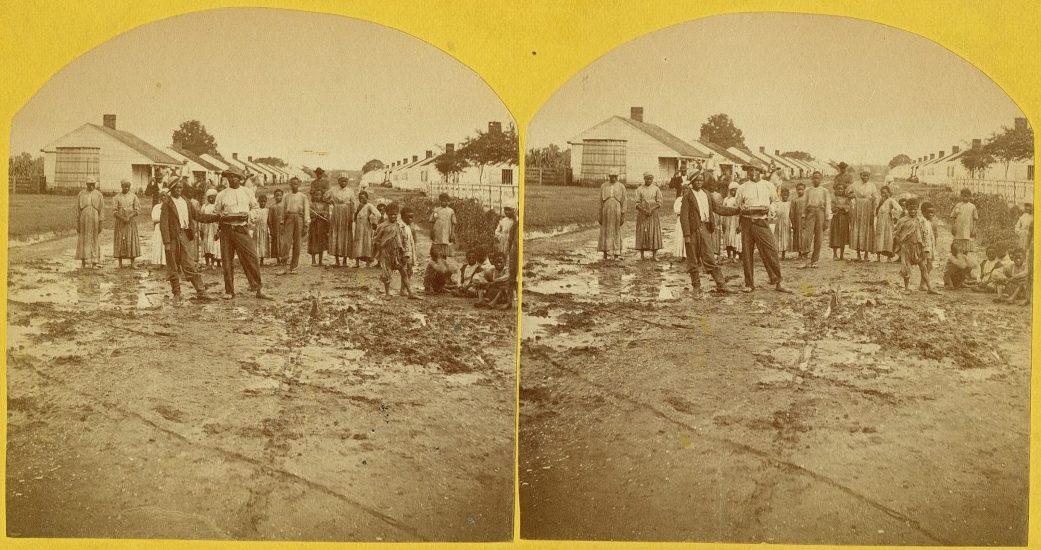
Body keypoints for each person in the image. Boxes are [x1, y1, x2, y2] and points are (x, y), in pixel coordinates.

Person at [212, 170, 270, 300]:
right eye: (229, 177)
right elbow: (216, 212)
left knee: (252, 257)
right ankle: (229, 291)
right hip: (226, 230)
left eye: (235, 177)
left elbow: (255, 209)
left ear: (240, 179)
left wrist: (248, 215)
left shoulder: (247, 192)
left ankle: (258, 289)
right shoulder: (221, 195)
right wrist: (221, 219)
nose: (232, 180)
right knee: (227, 261)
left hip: (241, 228)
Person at [678, 172, 738, 293]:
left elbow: (718, 209)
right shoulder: (688, 196)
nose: (699, 182)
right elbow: (683, 217)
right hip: (693, 230)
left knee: (709, 257)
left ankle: (721, 284)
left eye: (701, 180)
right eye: (696, 181)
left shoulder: (707, 194)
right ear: (692, 182)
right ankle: (696, 286)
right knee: (693, 259)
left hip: (705, 228)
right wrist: (687, 235)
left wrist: (736, 210)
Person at [158, 179, 216, 301]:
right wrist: (167, 243)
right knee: (172, 265)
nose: (179, 190)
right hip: (173, 237)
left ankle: (201, 291)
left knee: (189, 263)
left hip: (185, 235)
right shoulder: (167, 204)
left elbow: (197, 216)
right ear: (171, 189)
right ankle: (177, 293)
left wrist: (215, 217)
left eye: (180, 188)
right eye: (176, 188)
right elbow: (163, 224)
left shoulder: (186, 202)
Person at [735, 170, 791, 293]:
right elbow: (737, 204)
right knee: (747, 253)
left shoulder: (768, 185)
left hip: (762, 221)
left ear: (759, 172)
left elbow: (776, 202)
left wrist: (769, 208)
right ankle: (749, 283)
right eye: (750, 170)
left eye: (755, 170)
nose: (753, 173)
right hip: (747, 222)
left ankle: (777, 282)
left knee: (771, 250)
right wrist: (742, 208)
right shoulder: (742, 187)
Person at [893, 197, 937, 294]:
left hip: (918, 247)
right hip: (906, 248)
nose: (912, 211)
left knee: (923, 267)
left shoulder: (921, 221)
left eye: (914, 208)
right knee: (906, 268)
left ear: (917, 208)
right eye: (910, 208)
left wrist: (926, 248)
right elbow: (896, 233)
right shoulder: (902, 221)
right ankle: (906, 288)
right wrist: (900, 243)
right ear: (907, 208)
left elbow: (925, 235)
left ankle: (930, 288)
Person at [373, 202, 416, 298]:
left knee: (404, 272)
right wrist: (380, 249)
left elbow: (404, 239)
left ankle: (410, 292)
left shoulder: (400, 226)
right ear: (387, 214)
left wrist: (405, 253)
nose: (393, 216)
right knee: (386, 273)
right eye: (391, 214)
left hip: (397, 253)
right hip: (386, 253)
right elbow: (376, 239)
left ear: (397, 214)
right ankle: (387, 293)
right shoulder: (382, 226)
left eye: (395, 214)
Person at [800, 171, 831, 268]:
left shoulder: (825, 191)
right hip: (810, 212)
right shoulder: (808, 191)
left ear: (821, 179)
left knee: (819, 237)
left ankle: (815, 260)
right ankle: (805, 260)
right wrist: (803, 216)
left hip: (820, 213)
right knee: (807, 237)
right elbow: (804, 204)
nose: (816, 180)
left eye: (818, 178)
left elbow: (828, 206)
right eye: (814, 178)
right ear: (811, 179)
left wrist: (827, 219)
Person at [280, 177, 310, 274]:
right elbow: (282, 210)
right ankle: (283, 266)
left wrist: (306, 224)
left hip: (299, 219)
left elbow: (306, 211)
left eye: (296, 184)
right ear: (290, 184)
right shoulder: (286, 196)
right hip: (289, 218)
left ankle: (294, 267)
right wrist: (282, 222)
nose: (294, 186)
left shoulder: (303, 196)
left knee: (297, 243)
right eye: (292, 184)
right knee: (286, 243)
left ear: (299, 184)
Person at [325, 176, 356, 266]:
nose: (343, 183)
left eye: (345, 181)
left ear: (347, 182)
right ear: (338, 181)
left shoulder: (350, 191)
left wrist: (352, 216)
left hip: (346, 213)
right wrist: (331, 201)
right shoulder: (333, 190)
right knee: (336, 233)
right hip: (336, 213)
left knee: (346, 234)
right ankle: (337, 260)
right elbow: (325, 197)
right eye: (342, 181)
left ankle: (345, 260)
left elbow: (353, 204)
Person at [849, 169, 879, 260]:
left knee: (867, 229)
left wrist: (873, 209)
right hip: (858, 208)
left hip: (867, 208)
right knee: (858, 228)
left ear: (869, 176)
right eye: (863, 175)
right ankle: (858, 254)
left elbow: (876, 197)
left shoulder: (872, 185)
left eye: (867, 176)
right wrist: (853, 196)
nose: (865, 177)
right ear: (860, 175)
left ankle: (866, 254)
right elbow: (848, 192)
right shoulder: (855, 184)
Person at [598, 169, 627, 261]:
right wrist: (600, 214)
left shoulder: (621, 186)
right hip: (606, 209)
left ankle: (616, 254)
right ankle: (605, 253)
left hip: (617, 209)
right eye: (611, 176)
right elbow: (600, 201)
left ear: (617, 177)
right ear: (609, 176)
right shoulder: (604, 186)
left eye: (615, 176)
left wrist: (623, 214)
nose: (613, 178)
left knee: (616, 230)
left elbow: (624, 200)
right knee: (605, 230)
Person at [75, 177, 104, 269]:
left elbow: (102, 210)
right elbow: (78, 210)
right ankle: (84, 260)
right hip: (84, 217)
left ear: (95, 185)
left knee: (95, 237)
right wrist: (78, 223)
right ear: (86, 184)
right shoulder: (81, 194)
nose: (91, 186)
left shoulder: (99, 194)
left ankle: (95, 261)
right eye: (89, 185)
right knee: (83, 237)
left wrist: (100, 223)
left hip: (95, 216)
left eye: (93, 185)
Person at [634, 172, 664, 260]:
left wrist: (652, 209)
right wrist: (643, 210)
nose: (649, 180)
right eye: (647, 178)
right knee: (642, 232)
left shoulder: (656, 189)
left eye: (651, 179)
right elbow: (637, 203)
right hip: (642, 214)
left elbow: (659, 202)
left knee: (653, 231)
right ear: (644, 179)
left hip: (653, 213)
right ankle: (642, 255)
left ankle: (654, 255)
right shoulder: (639, 189)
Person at [112, 179, 140, 268]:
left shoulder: (134, 196)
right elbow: (114, 211)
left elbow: (137, 210)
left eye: (128, 186)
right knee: (120, 240)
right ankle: (120, 263)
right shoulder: (116, 197)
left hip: (130, 222)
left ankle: (132, 262)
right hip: (120, 222)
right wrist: (122, 218)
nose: (126, 188)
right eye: (125, 186)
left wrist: (129, 217)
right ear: (121, 187)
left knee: (131, 240)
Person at [874, 185, 902, 262]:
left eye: (885, 193)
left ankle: (888, 257)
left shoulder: (891, 200)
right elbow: (876, 211)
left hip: (888, 222)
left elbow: (899, 209)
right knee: (879, 238)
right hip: (880, 222)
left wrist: (892, 213)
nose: (884, 194)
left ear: (889, 193)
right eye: (882, 193)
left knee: (888, 238)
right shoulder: (880, 201)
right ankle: (878, 257)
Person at [354, 190, 380, 267]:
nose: (362, 200)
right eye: (360, 198)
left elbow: (378, 214)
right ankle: (357, 263)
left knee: (367, 244)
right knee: (358, 243)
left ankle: (367, 263)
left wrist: (371, 219)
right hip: (359, 228)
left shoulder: (369, 205)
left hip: (367, 228)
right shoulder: (358, 206)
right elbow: (354, 216)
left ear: (367, 198)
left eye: (363, 198)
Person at [309, 173, 330, 266]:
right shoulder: (312, 205)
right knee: (313, 242)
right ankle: (313, 260)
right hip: (314, 226)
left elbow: (326, 214)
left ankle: (321, 260)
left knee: (321, 242)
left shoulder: (325, 205)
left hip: (322, 227)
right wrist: (315, 215)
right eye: (316, 195)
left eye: (319, 195)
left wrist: (320, 214)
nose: (318, 197)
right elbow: (311, 214)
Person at [949, 188, 979, 254]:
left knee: (966, 247)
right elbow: (953, 216)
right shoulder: (958, 205)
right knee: (958, 246)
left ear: (970, 197)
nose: (965, 198)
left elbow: (975, 219)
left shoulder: (972, 207)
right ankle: (959, 260)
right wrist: (953, 226)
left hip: (968, 229)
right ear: (961, 196)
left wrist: (974, 229)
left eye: (966, 196)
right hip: (959, 229)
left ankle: (965, 258)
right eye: (963, 196)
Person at [830, 178, 852, 260]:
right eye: (838, 189)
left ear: (844, 190)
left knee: (843, 236)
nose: (840, 190)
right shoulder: (834, 198)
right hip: (836, 218)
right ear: (836, 189)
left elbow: (848, 207)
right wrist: (839, 208)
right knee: (835, 236)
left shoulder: (846, 199)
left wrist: (843, 208)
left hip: (844, 219)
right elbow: (833, 208)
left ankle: (842, 254)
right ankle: (835, 254)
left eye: (841, 189)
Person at [430, 193, 457, 259]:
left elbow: (453, 223)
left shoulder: (451, 211)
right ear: (440, 201)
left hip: (447, 232)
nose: (444, 202)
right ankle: (437, 262)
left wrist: (452, 233)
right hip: (438, 232)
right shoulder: (436, 210)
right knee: (437, 249)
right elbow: (432, 221)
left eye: (446, 201)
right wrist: (432, 231)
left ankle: (444, 261)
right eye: (442, 201)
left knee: (444, 250)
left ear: (448, 202)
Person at [199, 189, 221, 269]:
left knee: (213, 245)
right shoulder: (204, 206)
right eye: (210, 197)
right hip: (206, 228)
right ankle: (207, 263)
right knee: (206, 245)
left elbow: (219, 219)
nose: (211, 199)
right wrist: (200, 229)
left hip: (214, 227)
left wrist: (218, 231)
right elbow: (201, 218)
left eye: (213, 197)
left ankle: (213, 263)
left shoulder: (217, 207)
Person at [722, 181, 742, 262]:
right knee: (727, 237)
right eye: (732, 190)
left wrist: (740, 224)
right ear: (729, 191)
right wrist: (723, 222)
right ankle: (729, 256)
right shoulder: (726, 199)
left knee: (734, 237)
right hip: (727, 220)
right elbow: (723, 211)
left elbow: (741, 213)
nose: (734, 192)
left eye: (736, 190)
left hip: (735, 220)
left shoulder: (739, 200)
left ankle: (734, 256)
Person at [401, 207, 419, 289]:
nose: (411, 219)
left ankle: (403, 289)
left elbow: (413, 241)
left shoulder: (409, 226)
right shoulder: (401, 227)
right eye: (409, 217)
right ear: (402, 216)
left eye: (412, 217)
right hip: (404, 252)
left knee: (409, 271)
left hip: (410, 251)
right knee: (405, 271)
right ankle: (403, 289)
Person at [268, 188, 286, 265]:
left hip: (283, 228)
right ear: (274, 197)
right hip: (275, 228)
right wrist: (271, 230)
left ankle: (285, 259)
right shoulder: (272, 207)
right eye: (277, 196)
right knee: (276, 243)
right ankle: (278, 259)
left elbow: (287, 217)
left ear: (282, 196)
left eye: (280, 195)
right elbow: (269, 220)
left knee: (284, 243)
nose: (278, 197)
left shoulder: (285, 206)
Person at [789, 182, 807, 259]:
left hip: (805, 220)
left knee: (805, 236)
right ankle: (800, 252)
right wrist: (793, 222)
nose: (800, 191)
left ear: (804, 190)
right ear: (796, 190)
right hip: (797, 221)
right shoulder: (794, 200)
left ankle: (806, 252)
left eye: (801, 189)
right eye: (798, 189)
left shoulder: (807, 199)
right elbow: (792, 212)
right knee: (798, 236)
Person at [774, 187, 793, 260]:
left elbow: (791, 214)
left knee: (786, 237)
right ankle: (777, 253)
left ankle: (783, 254)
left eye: (786, 195)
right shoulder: (778, 204)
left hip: (786, 222)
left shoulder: (789, 204)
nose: (785, 196)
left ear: (788, 195)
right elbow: (775, 213)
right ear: (781, 195)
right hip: (779, 222)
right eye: (783, 195)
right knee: (778, 237)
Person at [670, 183, 686, 259]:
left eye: (687, 189)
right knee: (681, 235)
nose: (685, 190)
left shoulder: (692, 199)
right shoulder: (679, 199)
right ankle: (682, 254)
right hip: (681, 219)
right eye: (684, 189)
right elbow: (676, 210)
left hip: (690, 220)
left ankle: (689, 255)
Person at [254, 194, 271, 265]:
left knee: (263, 243)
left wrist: (270, 230)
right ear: (259, 202)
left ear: (266, 202)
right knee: (257, 243)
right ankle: (257, 259)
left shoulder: (267, 210)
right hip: (257, 228)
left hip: (264, 228)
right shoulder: (256, 210)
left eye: (264, 201)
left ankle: (262, 259)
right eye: (261, 201)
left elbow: (269, 221)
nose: (262, 203)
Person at [149, 199, 166, 267]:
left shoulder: (170, 206)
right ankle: (159, 262)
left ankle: (166, 262)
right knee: (159, 242)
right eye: (163, 196)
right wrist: (163, 218)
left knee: (166, 244)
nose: (164, 198)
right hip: (159, 226)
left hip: (168, 226)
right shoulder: (157, 207)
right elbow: (154, 218)